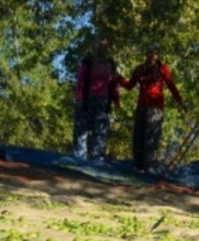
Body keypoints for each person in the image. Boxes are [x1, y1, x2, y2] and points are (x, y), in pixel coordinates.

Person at [119, 44, 187, 172]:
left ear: (158, 55)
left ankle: (148, 167)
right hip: (141, 107)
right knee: (139, 136)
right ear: (146, 54)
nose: (152, 55)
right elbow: (129, 85)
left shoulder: (163, 69)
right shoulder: (139, 69)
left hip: (156, 108)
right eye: (150, 52)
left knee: (151, 138)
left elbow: (172, 87)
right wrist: (118, 78)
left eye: (155, 53)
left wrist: (181, 102)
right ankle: (138, 166)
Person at [72, 37, 122, 161]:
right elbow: (81, 81)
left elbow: (115, 83)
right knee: (81, 130)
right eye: (99, 45)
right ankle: (79, 159)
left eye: (104, 46)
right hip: (87, 99)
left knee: (101, 132)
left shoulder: (111, 63)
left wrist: (116, 101)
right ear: (95, 46)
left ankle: (97, 160)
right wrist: (79, 98)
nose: (101, 48)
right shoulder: (88, 62)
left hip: (104, 101)